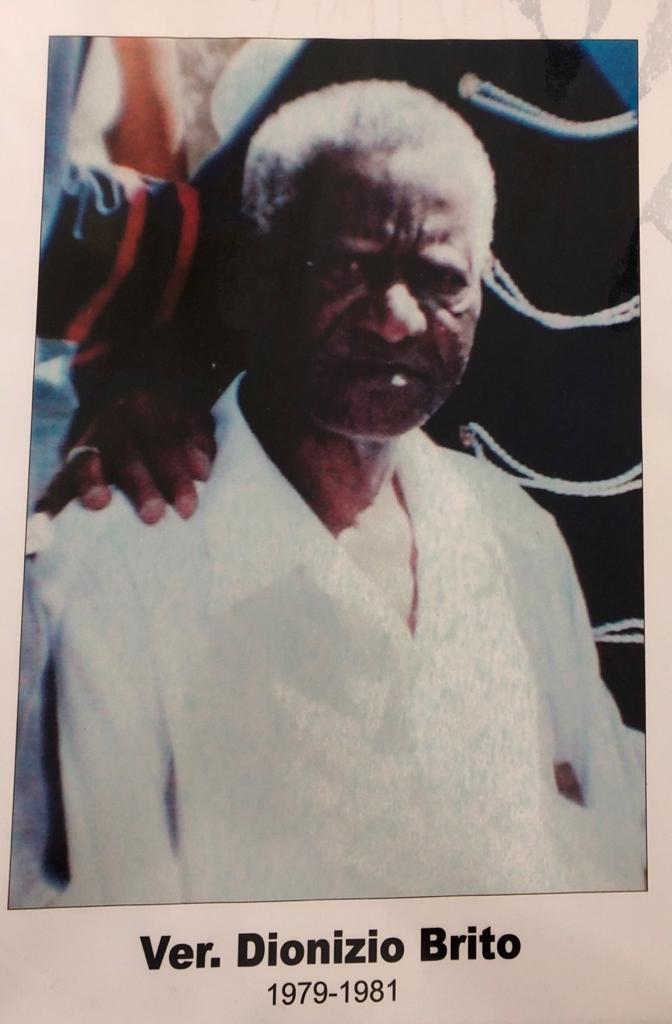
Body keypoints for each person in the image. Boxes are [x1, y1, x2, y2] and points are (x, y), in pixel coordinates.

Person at [10, 80, 645, 908]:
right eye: (345, 268)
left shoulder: (515, 537)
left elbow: (615, 850)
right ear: (248, 280)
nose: (395, 318)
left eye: (438, 279)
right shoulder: (103, 571)